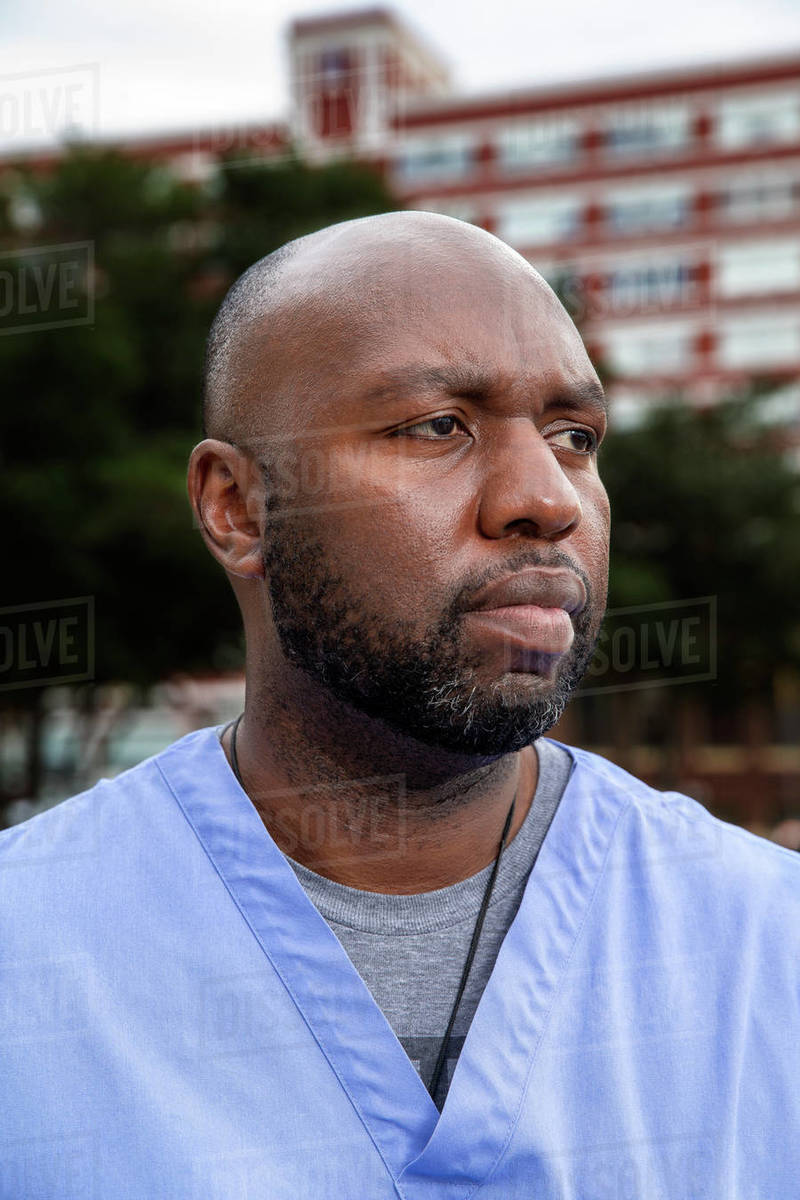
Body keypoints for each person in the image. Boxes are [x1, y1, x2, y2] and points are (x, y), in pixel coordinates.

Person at [1, 212, 798, 1198]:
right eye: (436, 426)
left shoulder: (769, 946)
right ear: (237, 507)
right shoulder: (26, 949)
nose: (546, 499)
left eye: (573, 437)